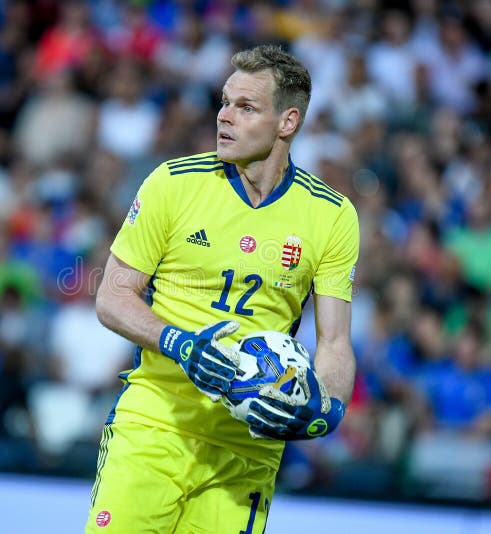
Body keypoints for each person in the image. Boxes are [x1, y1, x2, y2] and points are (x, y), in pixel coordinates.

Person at [86, 44, 359, 533]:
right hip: (155, 427)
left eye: (246, 107)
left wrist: (329, 411)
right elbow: (111, 296)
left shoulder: (332, 215)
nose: (224, 117)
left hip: (248, 450)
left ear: (287, 122)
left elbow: (335, 343)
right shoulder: (172, 184)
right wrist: (180, 343)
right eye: (225, 101)